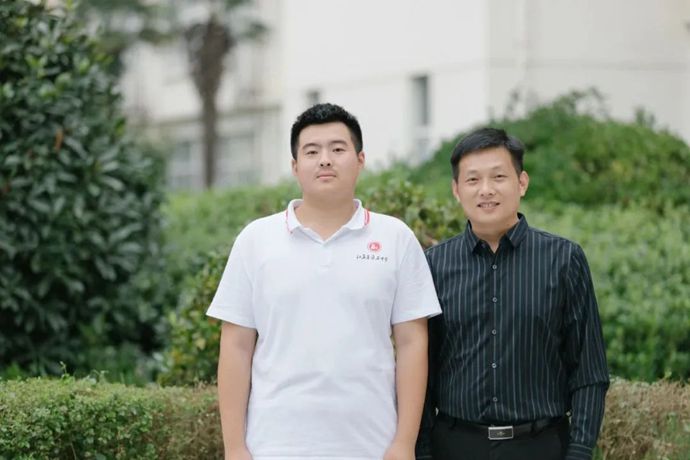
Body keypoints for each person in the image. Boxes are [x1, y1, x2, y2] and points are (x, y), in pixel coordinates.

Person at [207, 103, 442, 460]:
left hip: (371, 445)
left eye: (337, 149)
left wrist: (403, 443)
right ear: (295, 166)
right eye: (312, 151)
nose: (325, 160)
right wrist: (235, 448)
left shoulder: (395, 238)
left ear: (360, 160)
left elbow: (412, 343)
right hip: (274, 446)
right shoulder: (256, 240)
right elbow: (236, 346)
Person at [415, 128, 609, 460]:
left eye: (498, 177)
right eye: (473, 180)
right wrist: (422, 451)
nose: (486, 190)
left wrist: (579, 452)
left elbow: (589, 371)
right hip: (456, 446)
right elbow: (420, 371)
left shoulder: (564, 260)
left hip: (542, 445)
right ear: (456, 190)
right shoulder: (433, 265)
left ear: (522, 183)